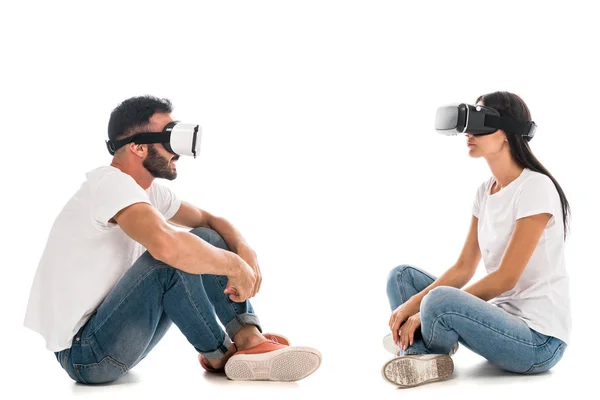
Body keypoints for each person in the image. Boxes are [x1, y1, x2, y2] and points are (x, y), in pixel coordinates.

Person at [24, 95, 322, 384]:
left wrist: (244, 249)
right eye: (169, 139)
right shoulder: (109, 184)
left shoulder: (149, 193)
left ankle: (248, 340)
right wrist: (233, 266)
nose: (176, 152)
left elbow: (209, 222)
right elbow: (167, 247)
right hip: (85, 355)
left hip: (109, 341)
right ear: (138, 147)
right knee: (170, 258)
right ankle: (223, 355)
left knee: (205, 237)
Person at [382, 91, 571, 388]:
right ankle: (421, 354)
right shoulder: (486, 191)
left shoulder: (536, 186)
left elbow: (506, 277)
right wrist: (411, 306)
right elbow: (463, 267)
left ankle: (423, 345)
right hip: (501, 321)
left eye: (481, 124)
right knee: (401, 277)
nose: (469, 132)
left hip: (539, 342)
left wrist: (423, 309)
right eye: (469, 124)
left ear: (508, 133)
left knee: (438, 299)